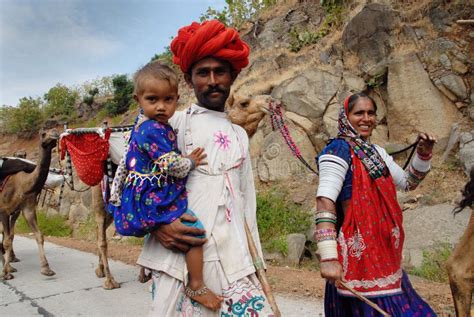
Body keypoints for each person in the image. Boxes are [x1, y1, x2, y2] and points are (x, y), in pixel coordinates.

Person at [136, 20, 275, 316]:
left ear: (231, 76)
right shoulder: (171, 123)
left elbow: (245, 200)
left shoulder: (238, 134)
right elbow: (136, 180)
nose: (212, 80)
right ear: (189, 80)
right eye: (203, 73)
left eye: (220, 72)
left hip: (234, 255)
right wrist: (158, 226)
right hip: (181, 254)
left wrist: (257, 258)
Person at [108, 61, 223, 310]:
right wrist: (190, 162)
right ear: (138, 99)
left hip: (147, 193)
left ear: (177, 98)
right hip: (154, 198)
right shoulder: (152, 130)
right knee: (194, 234)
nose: (161, 106)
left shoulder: (147, 124)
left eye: (168, 100)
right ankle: (197, 284)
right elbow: (172, 165)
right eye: (153, 99)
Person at [314, 92, 437, 316]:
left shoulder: (376, 153)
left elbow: (409, 183)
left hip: (385, 255)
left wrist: (423, 154)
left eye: (371, 113)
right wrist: (329, 257)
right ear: (345, 117)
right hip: (359, 259)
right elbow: (325, 201)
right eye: (358, 113)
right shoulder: (337, 151)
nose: (366, 118)